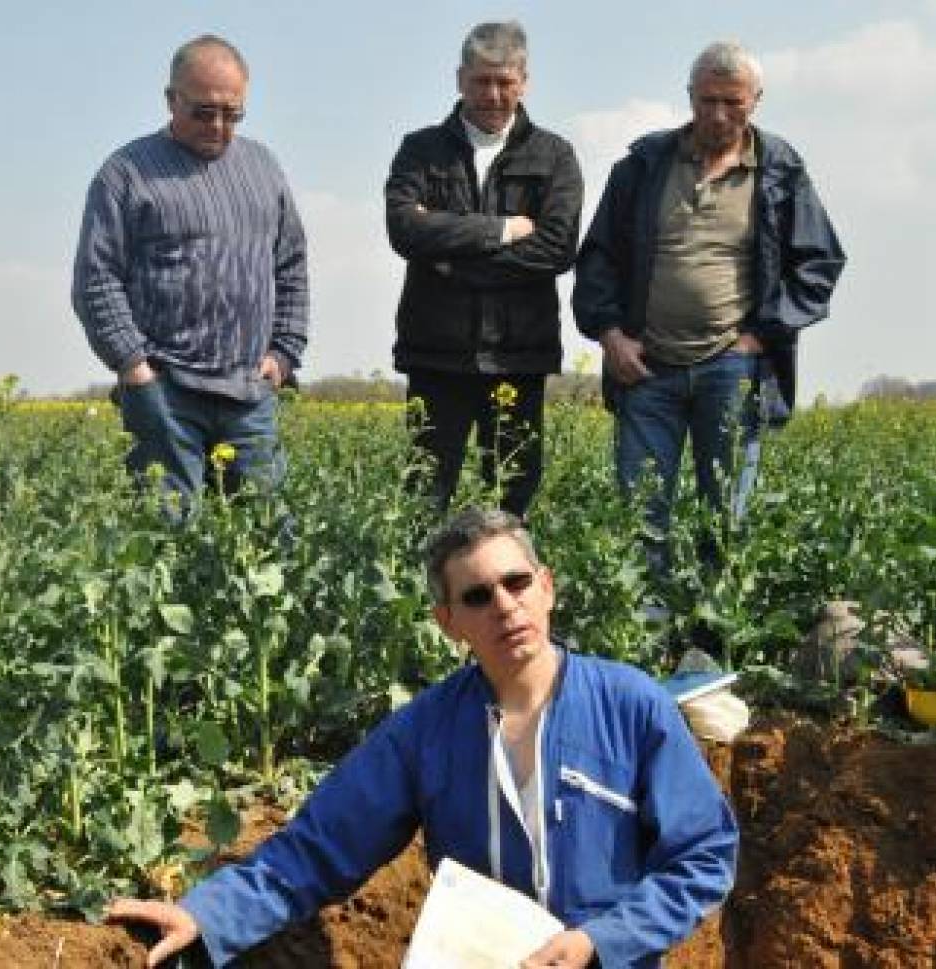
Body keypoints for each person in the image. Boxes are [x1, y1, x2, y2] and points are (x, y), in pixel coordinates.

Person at [107, 507, 738, 968]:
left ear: (546, 587)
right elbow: (319, 847)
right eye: (478, 595)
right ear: (449, 623)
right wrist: (206, 913)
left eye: (517, 583)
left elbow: (705, 855)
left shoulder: (632, 707)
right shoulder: (425, 733)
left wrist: (603, 941)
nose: (506, 606)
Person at [573, 40, 844, 571]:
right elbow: (599, 257)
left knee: (726, 519)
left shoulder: (780, 170)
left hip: (732, 369)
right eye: (706, 101)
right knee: (641, 517)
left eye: (732, 102)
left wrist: (760, 336)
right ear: (689, 96)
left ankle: (710, 641)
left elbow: (819, 264)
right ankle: (645, 641)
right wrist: (610, 336)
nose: (717, 114)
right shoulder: (643, 165)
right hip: (645, 369)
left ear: (755, 101)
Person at [72, 35, 309, 502]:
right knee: (167, 539)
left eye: (232, 113)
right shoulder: (126, 173)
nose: (218, 124)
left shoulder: (263, 167)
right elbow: (96, 279)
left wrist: (283, 353)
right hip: (166, 392)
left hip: (249, 393)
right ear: (170, 99)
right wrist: (134, 366)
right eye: (203, 111)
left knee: (265, 547)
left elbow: (292, 265)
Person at [385, 21, 582, 518]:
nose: (492, 95)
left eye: (505, 82)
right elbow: (406, 232)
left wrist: (449, 259)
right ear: (459, 79)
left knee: (512, 497)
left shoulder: (554, 155)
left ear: (524, 82)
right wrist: (500, 231)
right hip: (437, 356)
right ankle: (424, 593)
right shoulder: (420, 150)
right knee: (423, 499)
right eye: (481, 82)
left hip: (519, 356)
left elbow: (556, 249)